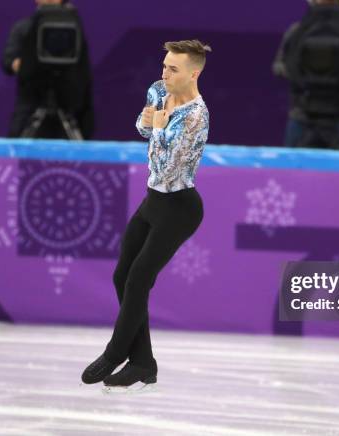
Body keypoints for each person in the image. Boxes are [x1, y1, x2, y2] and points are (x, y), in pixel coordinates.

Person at [81, 40, 211, 388]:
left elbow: (170, 170)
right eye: (165, 65)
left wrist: (157, 128)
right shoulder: (157, 90)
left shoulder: (197, 116)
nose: (164, 73)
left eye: (173, 69)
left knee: (139, 279)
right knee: (122, 275)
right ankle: (143, 362)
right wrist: (150, 124)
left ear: (193, 73)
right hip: (153, 200)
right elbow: (143, 128)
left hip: (180, 207)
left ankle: (115, 353)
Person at [273, 0, 339, 150]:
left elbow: (280, 68)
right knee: (337, 172)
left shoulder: (296, 32)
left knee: (293, 172)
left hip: (310, 118)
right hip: (332, 120)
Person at [1, 0, 94, 139]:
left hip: (68, 104)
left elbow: (82, 71)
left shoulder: (75, 27)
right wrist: (27, 64)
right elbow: (9, 61)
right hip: (31, 104)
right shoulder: (23, 28)